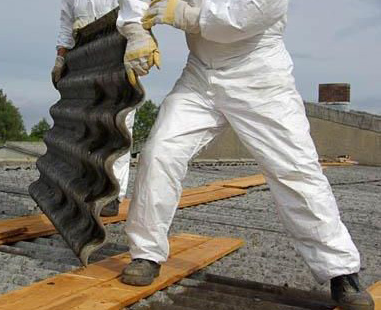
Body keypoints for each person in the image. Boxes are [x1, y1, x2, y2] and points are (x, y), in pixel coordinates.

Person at [115, 0, 374, 309]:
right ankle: (146, 253)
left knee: (295, 170)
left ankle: (341, 271)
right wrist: (135, 30)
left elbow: (243, 18)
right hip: (200, 74)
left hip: (259, 75)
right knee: (159, 152)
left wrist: (183, 14)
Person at [53, 0, 137, 217]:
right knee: (86, 123)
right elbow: (66, 22)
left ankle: (113, 194)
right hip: (84, 53)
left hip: (118, 48)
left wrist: (138, 41)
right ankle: (87, 187)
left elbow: (137, 10)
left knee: (118, 123)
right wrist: (61, 57)